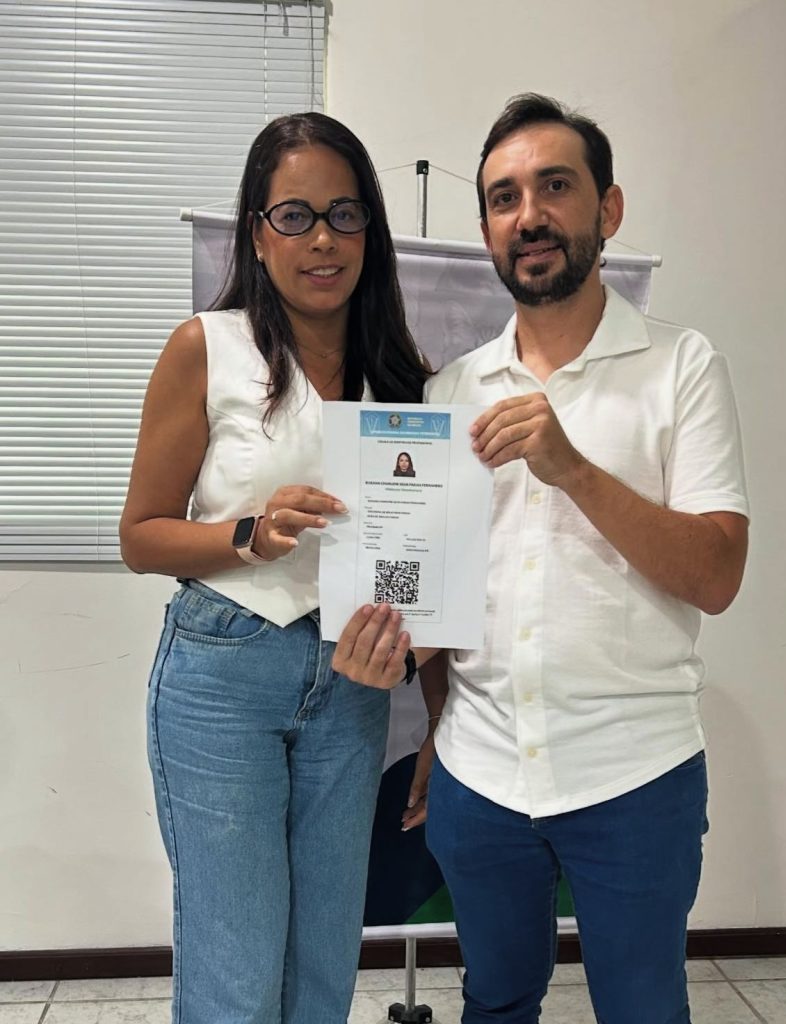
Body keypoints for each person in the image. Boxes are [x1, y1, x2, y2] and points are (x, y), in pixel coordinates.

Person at [332, 94, 749, 1024]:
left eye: (554, 187)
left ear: (608, 209)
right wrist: (407, 680)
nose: (528, 215)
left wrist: (574, 470)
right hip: (479, 772)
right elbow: (437, 596)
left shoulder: (682, 367)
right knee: (495, 1001)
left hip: (635, 774)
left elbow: (716, 575)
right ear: (487, 230)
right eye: (503, 197)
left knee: (643, 1009)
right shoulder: (451, 391)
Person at [119, 112, 428, 1024]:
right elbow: (141, 536)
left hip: (352, 688)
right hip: (223, 675)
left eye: (344, 213)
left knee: (324, 968)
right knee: (237, 975)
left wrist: (434, 704)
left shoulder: (402, 381)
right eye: (294, 216)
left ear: (370, 230)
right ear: (257, 233)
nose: (321, 239)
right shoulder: (205, 347)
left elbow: (425, 568)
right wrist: (247, 534)